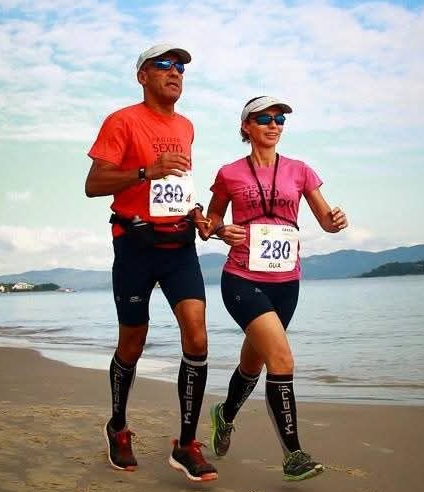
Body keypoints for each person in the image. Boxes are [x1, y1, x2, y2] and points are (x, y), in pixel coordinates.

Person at [85, 43, 217, 483]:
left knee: (197, 338)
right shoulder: (122, 121)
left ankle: (185, 444)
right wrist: (145, 171)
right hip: (135, 247)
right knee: (133, 344)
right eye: (164, 65)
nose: (174, 72)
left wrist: (197, 214)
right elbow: (93, 183)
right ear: (143, 76)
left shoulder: (186, 126)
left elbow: (177, 188)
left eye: (180, 66)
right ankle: (118, 427)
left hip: (180, 247)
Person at [200, 96, 348, 481]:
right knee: (282, 360)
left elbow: (325, 221)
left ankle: (225, 413)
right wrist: (219, 230)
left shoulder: (300, 171)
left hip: (286, 282)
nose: (274, 124)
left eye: (279, 118)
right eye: (264, 118)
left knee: (255, 363)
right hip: (242, 279)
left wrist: (336, 220)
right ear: (246, 126)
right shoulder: (230, 173)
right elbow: (212, 219)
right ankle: (293, 454)